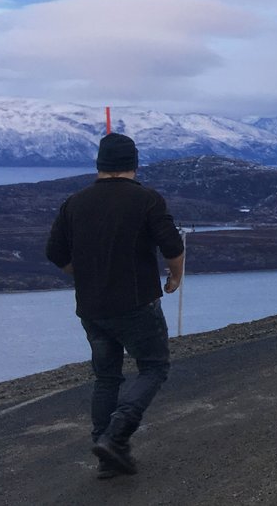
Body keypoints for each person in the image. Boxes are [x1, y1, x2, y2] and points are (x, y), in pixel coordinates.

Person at [44, 133, 185, 479]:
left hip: (92, 309)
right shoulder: (146, 200)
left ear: (100, 165)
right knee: (154, 366)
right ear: (133, 164)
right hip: (136, 304)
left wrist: (84, 275)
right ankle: (116, 433)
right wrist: (175, 277)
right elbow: (172, 245)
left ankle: (108, 454)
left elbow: (55, 252)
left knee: (106, 377)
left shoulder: (74, 202)